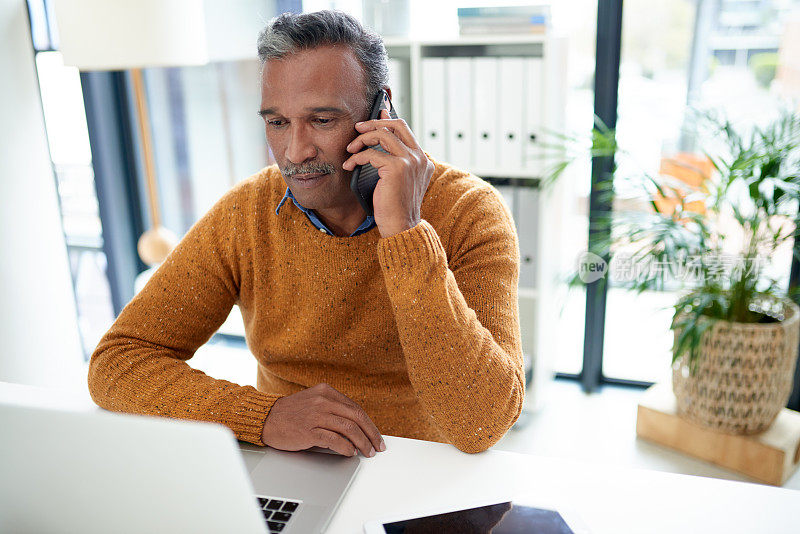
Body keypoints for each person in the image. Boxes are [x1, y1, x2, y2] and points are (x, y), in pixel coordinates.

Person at [88, 10, 523, 456]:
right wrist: (262, 416)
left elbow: (480, 424)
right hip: (287, 464)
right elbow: (118, 362)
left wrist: (404, 232)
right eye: (277, 123)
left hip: (417, 472)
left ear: (381, 110)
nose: (294, 152)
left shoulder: (469, 211)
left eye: (322, 120)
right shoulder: (248, 212)